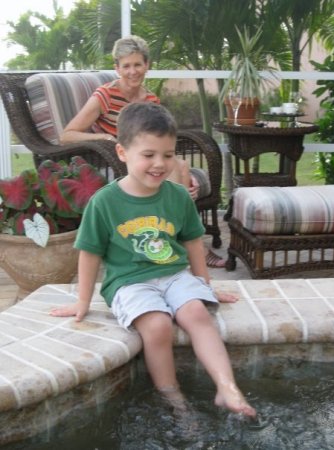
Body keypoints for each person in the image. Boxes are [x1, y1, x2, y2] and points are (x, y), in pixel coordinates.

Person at [51, 102, 256, 418]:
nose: (159, 164)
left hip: (174, 275)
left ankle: (227, 388)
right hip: (128, 282)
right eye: (148, 155)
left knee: (197, 314)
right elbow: (90, 252)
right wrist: (83, 301)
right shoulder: (104, 202)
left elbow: (191, 241)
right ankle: (175, 401)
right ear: (123, 153)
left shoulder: (177, 196)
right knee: (158, 326)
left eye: (168, 154)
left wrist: (204, 283)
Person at [60, 34, 226, 268]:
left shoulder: (150, 99)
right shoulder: (104, 96)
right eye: (126, 66)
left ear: (147, 65)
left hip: (144, 159)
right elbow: (67, 134)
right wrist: (105, 136)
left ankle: (179, 239)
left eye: (138, 64)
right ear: (116, 68)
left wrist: (181, 172)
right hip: (113, 159)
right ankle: (190, 245)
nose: (132, 71)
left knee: (182, 168)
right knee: (178, 177)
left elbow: (158, 143)